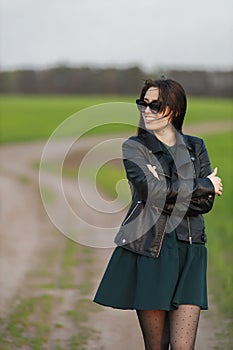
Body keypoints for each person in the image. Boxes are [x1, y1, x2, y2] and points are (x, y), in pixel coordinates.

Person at [93, 78, 223, 350]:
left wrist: (167, 188)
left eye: (156, 105)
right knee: (157, 346)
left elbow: (205, 204)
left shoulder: (196, 147)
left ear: (174, 110)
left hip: (191, 251)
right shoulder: (133, 147)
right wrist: (203, 184)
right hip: (152, 251)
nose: (147, 110)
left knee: (184, 347)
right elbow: (152, 193)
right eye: (144, 104)